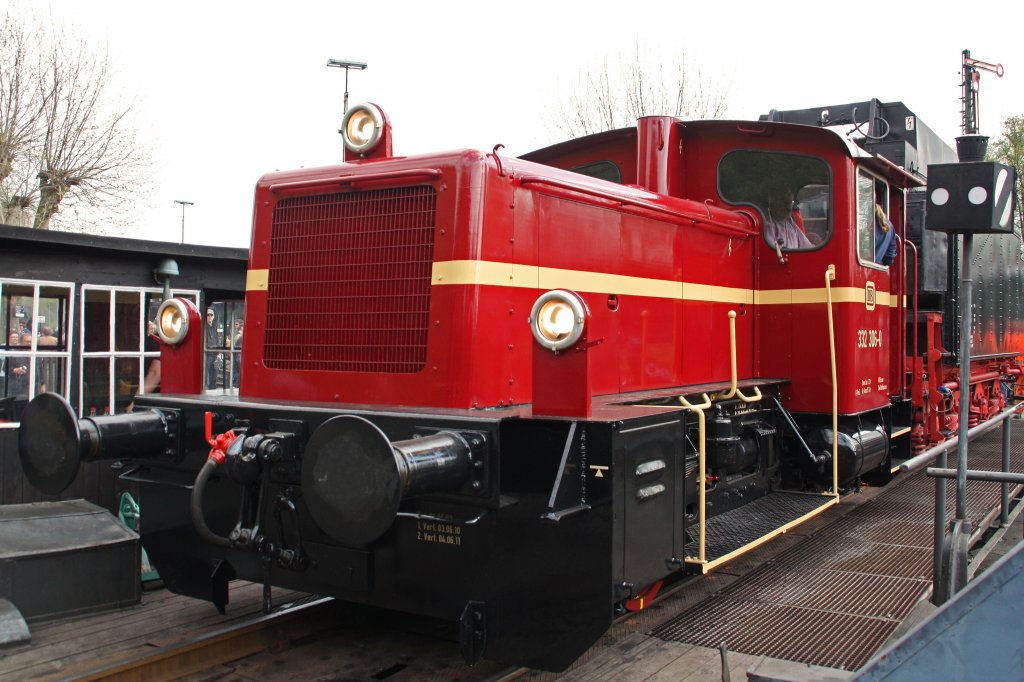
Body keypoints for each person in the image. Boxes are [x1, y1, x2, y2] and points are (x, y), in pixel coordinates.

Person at [204, 308, 220, 389]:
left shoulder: (214, 326)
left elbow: (217, 339)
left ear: (213, 317)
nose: (209, 316)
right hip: (206, 355)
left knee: (214, 374)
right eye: (208, 315)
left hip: (214, 354)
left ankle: (212, 389)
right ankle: (205, 389)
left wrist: (218, 353)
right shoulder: (203, 326)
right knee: (205, 374)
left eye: (211, 315)